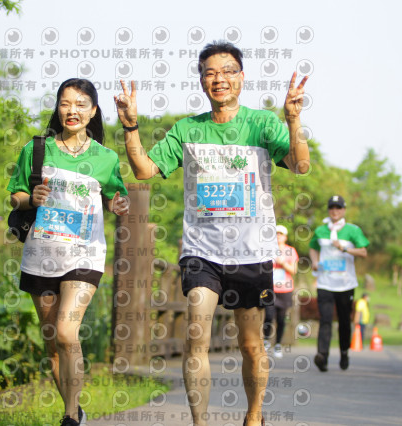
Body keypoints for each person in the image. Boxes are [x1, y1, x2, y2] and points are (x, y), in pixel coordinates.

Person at [114, 41, 309, 426]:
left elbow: (300, 165)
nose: (218, 79)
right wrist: (130, 126)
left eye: (227, 71)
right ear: (202, 80)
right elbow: (143, 170)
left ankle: (253, 417)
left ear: (241, 77)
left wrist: (292, 120)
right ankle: (200, 423)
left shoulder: (263, 123)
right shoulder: (188, 128)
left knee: (251, 345)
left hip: (251, 253)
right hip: (203, 251)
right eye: (210, 72)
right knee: (196, 331)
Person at [7, 78, 129, 426]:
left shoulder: (105, 157)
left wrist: (119, 202)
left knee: (65, 333)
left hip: (84, 255)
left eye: (80, 104)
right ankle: (75, 409)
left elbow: (116, 195)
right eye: (65, 103)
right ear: (58, 108)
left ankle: (70, 416)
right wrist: (32, 198)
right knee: (52, 343)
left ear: (92, 112)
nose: (71, 110)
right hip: (41, 254)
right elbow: (15, 194)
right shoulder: (37, 149)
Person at [309, 195, 369, 372]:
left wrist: (344, 248)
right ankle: (322, 356)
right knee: (325, 319)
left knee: (344, 321)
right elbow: (313, 247)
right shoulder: (320, 230)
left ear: (344, 210)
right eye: (331, 207)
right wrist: (314, 260)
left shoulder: (352, 230)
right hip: (325, 282)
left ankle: (344, 352)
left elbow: (363, 252)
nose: (334, 211)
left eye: (338, 207)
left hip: (345, 283)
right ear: (328, 210)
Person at [263, 224, 299, 359]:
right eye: (276, 233)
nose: (278, 236)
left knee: (281, 318)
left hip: (285, 289)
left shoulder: (291, 250)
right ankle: (266, 341)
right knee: (268, 315)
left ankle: (278, 344)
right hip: (270, 289)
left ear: (285, 237)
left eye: (281, 234)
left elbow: (294, 270)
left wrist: (283, 263)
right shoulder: (268, 249)